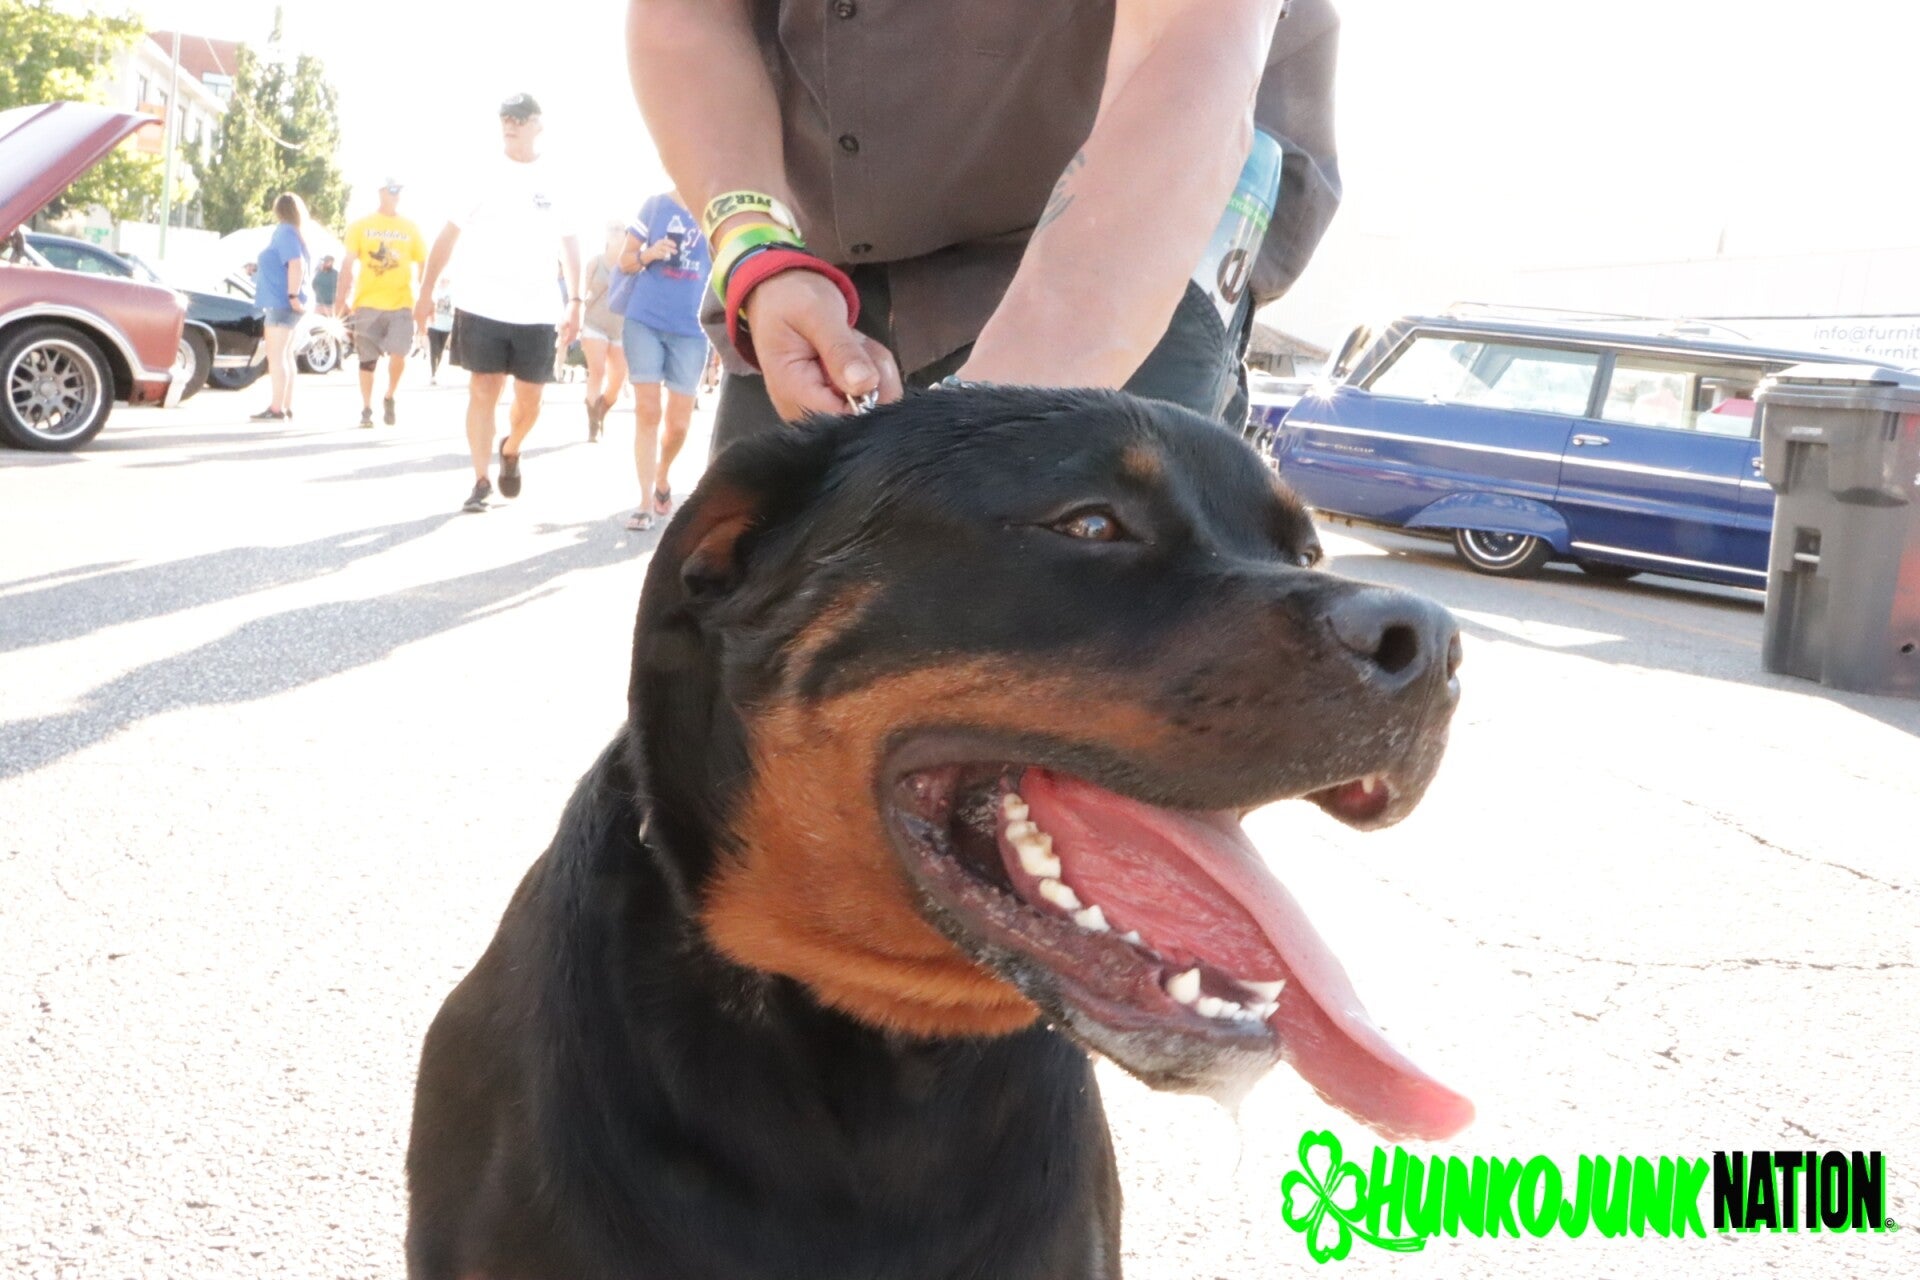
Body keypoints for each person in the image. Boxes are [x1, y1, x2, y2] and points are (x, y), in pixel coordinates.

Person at [625, 0, 1340, 453]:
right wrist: (761, 253)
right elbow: (686, 17)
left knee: (1096, 613)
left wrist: (977, 435)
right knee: (761, 611)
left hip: (1136, 223)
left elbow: (1185, 48)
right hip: (830, 257)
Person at [414, 94, 583, 513]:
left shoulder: (557, 178)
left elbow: (570, 243)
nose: (510, 124)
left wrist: (576, 300)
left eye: (520, 118)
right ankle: (481, 480)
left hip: (538, 309)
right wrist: (426, 290)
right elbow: (447, 235)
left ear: (538, 124)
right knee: (483, 388)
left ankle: (511, 447)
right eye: (505, 117)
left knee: (530, 401)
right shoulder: (481, 173)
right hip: (481, 303)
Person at [616, 190, 710, 530]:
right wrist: (649, 253)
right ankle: (644, 501)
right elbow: (624, 261)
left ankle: (662, 473)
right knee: (648, 410)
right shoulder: (656, 206)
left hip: (693, 329)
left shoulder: (714, 206)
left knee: (679, 425)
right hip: (645, 319)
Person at [339, 178, 429, 428]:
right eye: (391, 190)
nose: (396, 195)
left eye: (399, 191)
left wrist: (423, 294)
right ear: (380, 192)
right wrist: (341, 299)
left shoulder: (410, 227)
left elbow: (423, 261)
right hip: (367, 302)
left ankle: (389, 395)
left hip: (401, 302)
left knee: (399, 353)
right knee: (367, 359)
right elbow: (348, 262)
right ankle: (367, 408)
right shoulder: (361, 225)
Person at [250, 192, 311, 423]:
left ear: (279, 210)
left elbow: (296, 264)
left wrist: (292, 295)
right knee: (286, 355)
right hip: (286, 303)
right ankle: (285, 405)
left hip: (280, 302)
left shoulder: (285, 232)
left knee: (275, 356)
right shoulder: (296, 233)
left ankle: (276, 408)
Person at [580, 222, 630, 443]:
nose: (614, 231)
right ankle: (593, 424)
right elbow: (582, 292)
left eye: (618, 228)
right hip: (594, 323)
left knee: (617, 380)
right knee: (597, 371)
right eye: (611, 227)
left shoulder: (630, 264)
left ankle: (601, 409)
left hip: (620, 327)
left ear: (626, 235)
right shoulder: (595, 262)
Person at [426, 276, 455, 384]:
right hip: (433, 325)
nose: (443, 282)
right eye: (442, 280)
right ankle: (433, 374)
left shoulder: (452, 293)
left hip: (447, 325)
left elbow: (455, 309)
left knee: (440, 350)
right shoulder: (434, 292)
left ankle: (436, 371)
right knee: (434, 349)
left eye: (445, 280)